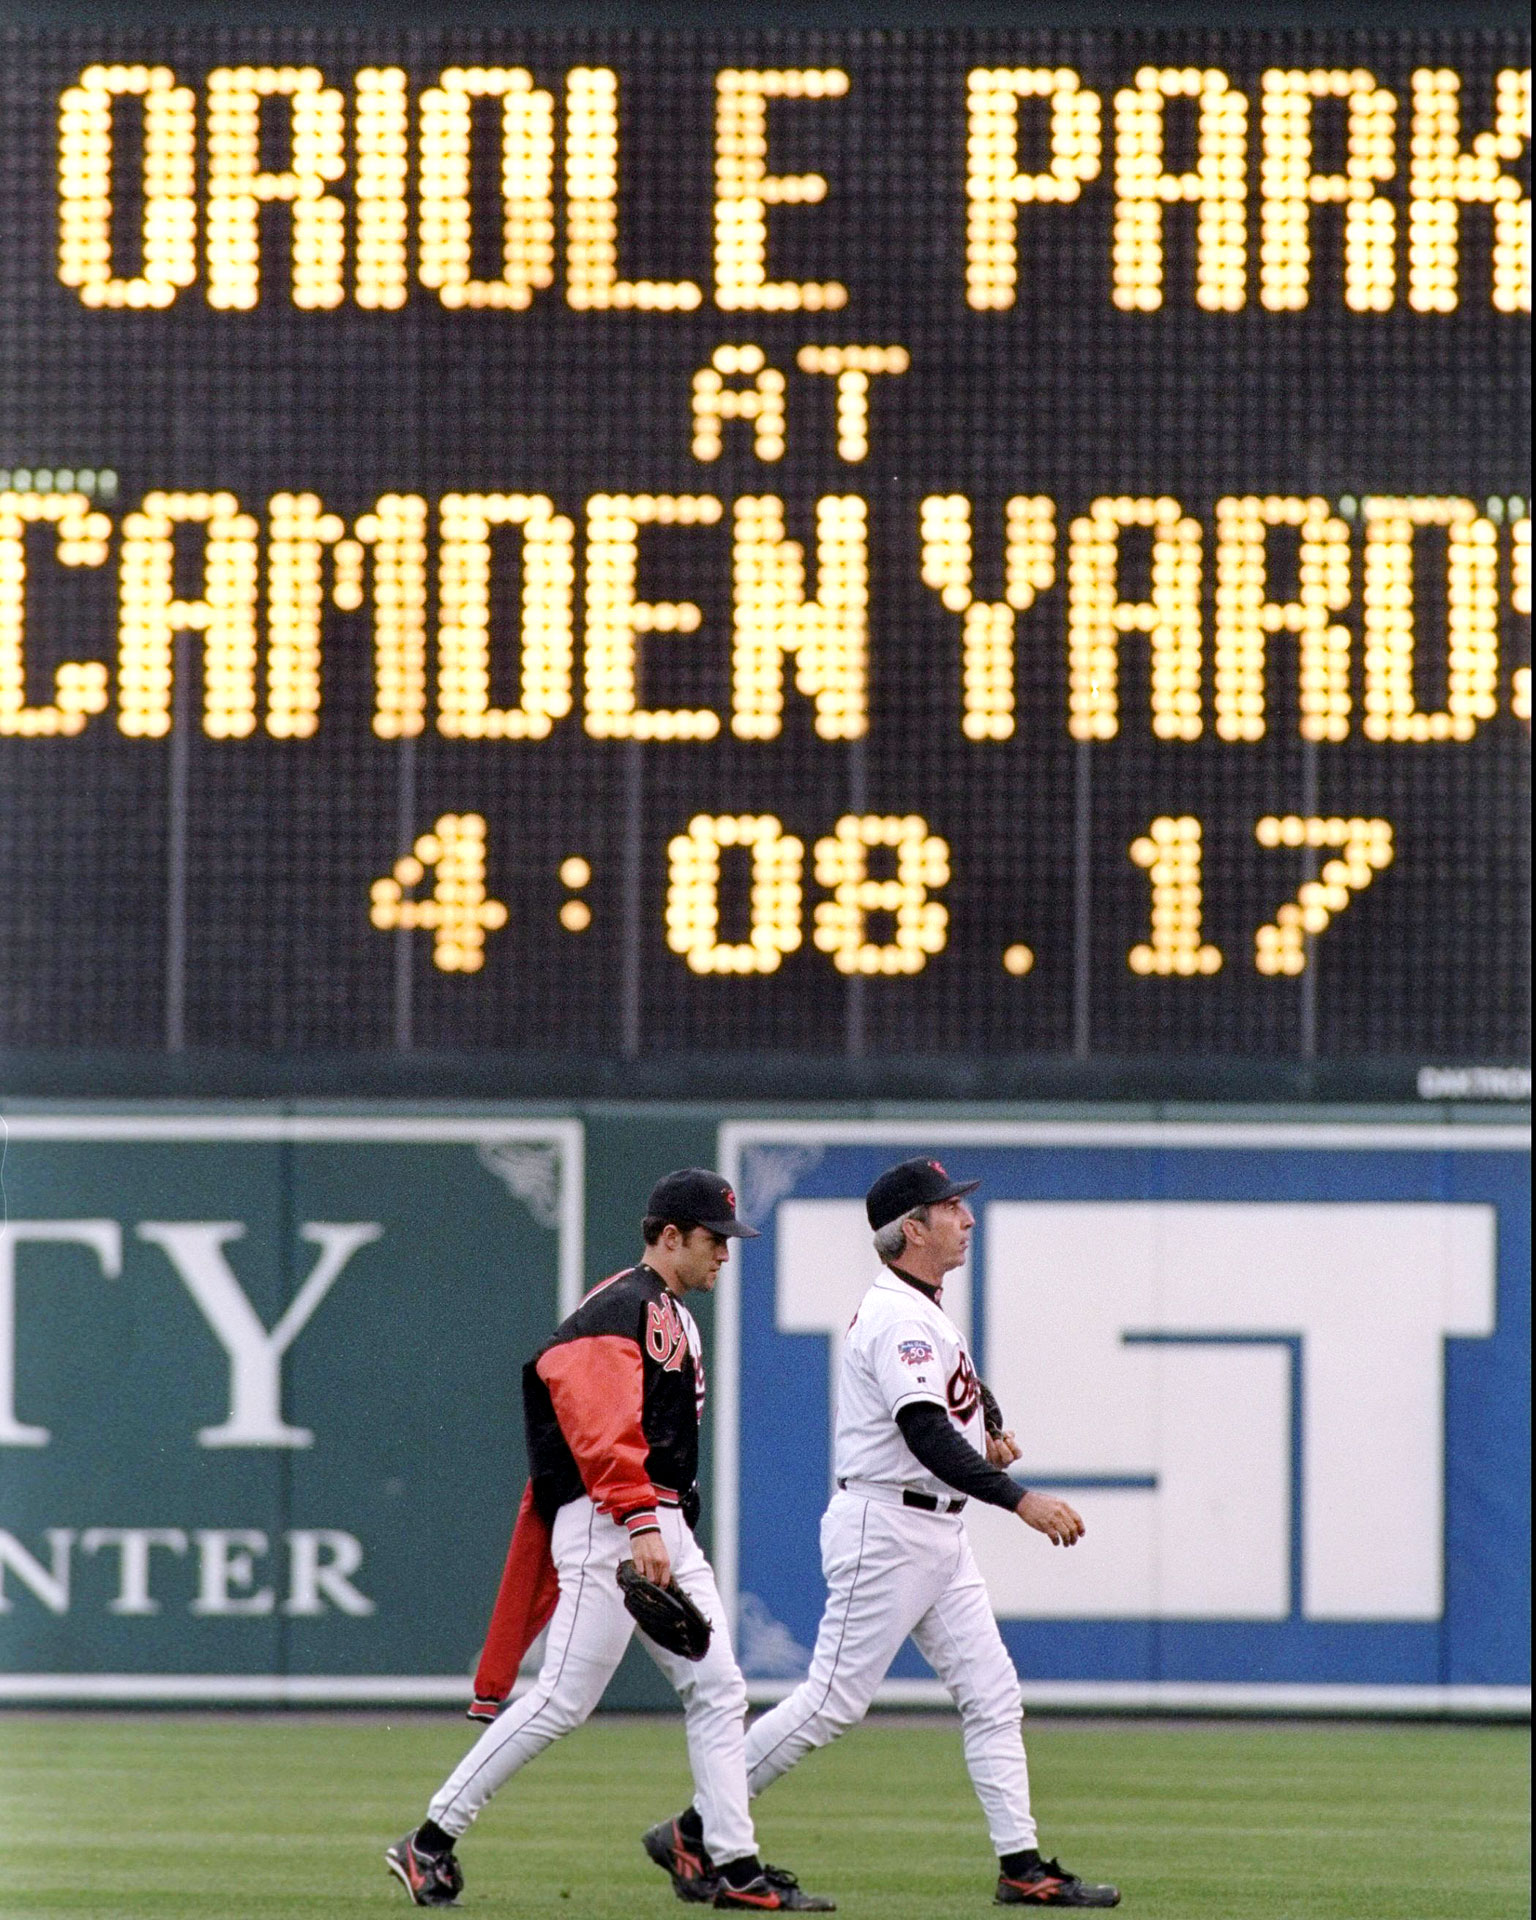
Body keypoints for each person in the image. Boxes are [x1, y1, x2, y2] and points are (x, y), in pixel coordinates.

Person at [644, 1157, 1121, 1910]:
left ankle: (1022, 1865)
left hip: (934, 1532)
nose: (965, 1218)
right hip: (889, 1525)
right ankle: (697, 1826)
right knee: (831, 1702)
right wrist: (1020, 1500)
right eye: (949, 1208)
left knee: (993, 1694)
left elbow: (953, 1392)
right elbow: (924, 1430)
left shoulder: (921, 1307)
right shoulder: (899, 1314)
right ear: (912, 1229)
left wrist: (989, 1422)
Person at [386, 1168, 833, 1912]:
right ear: (668, 1237)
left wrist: (655, 1522)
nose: (724, 1252)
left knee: (720, 1689)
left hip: (655, 1522)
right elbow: (600, 1428)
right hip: (613, 1523)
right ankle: (428, 1842)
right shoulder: (624, 1305)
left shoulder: (670, 1312)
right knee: (563, 1698)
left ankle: (733, 1867)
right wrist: (638, 1521)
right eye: (712, 1239)